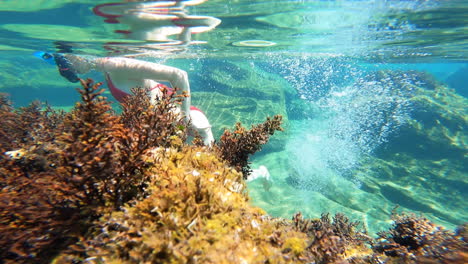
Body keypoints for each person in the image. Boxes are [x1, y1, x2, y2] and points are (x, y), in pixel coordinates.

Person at [34, 51, 214, 146]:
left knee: (214, 177)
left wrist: (185, 119)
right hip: (166, 128)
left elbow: (179, 74)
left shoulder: (115, 64)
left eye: (68, 63)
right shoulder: (104, 69)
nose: (75, 72)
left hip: (191, 124)